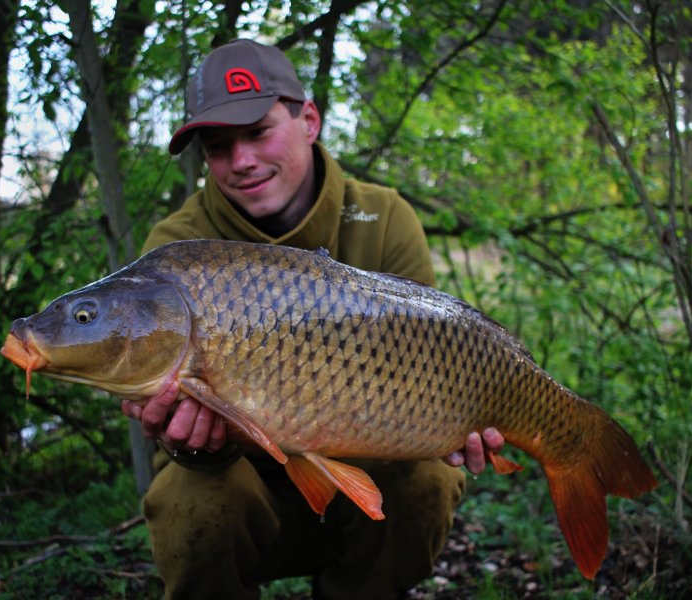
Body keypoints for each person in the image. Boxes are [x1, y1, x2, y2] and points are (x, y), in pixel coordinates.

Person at [121, 39, 505, 600]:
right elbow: (172, 429)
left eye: (257, 132)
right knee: (189, 503)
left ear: (309, 120)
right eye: (218, 146)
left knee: (428, 478)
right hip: (240, 488)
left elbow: (437, 357)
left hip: (360, 480)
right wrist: (192, 442)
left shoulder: (382, 216)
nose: (241, 161)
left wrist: (452, 422)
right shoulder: (179, 249)